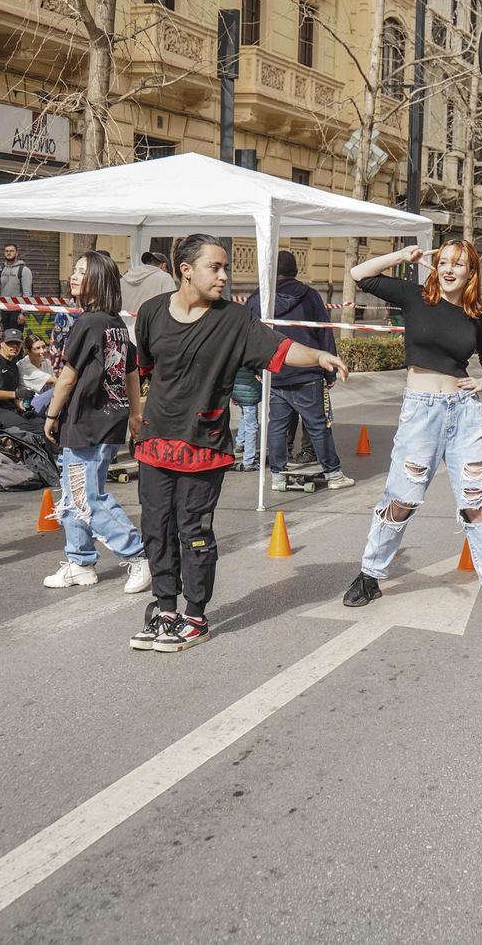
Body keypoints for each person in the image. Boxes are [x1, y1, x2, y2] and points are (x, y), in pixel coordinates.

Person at [128, 234, 347, 653]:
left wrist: (319, 356)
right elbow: (144, 368)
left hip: (204, 443)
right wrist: (136, 415)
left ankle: (195, 615)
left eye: (225, 267)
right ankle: (165, 609)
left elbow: (281, 349)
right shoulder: (153, 313)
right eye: (216, 267)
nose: (225, 276)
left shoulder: (234, 320)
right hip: (156, 442)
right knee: (156, 528)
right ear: (185, 270)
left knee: (193, 529)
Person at [345, 239, 482, 620]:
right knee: (401, 499)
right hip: (421, 414)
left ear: (471, 273)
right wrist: (401, 257)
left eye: (458, 264)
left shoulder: (474, 314)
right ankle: (370, 575)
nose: (449, 269)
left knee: (478, 505)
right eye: (444, 262)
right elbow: (360, 276)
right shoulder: (416, 296)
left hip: (465, 415)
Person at [40, 253, 151, 592]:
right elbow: (131, 372)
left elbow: (67, 377)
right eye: (74, 270)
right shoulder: (115, 323)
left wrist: (51, 414)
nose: (74, 277)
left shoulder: (88, 324)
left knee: (87, 496)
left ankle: (138, 555)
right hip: (106, 421)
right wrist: (133, 414)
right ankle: (79, 561)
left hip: (87, 422)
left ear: (99, 280)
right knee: (74, 495)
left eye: (82, 272)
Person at [246, 250, 354, 492]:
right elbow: (324, 332)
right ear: (296, 270)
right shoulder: (311, 296)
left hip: (275, 372)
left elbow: (249, 336)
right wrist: (329, 373)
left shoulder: (258, 298)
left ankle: (277, 475)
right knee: (318, 425)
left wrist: (256, 367)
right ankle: (333, 474)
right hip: (308, 373)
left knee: (276, 425)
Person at [0, 327, 36, 431]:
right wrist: (16, 394)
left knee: (40, 423)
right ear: (2, 343)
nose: (15, 346)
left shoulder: (14, 364)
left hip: (9, 409)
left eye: (17, 343)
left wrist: (22, 405)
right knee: (29, 429)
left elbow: (12, 398)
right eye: (10, 343)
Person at [122, 250, 178, 316]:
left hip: (122, 324)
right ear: (164, 266)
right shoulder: (165, 277)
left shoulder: (125, 277)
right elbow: (172, 305)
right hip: (149, 325)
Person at [19, 335, 60, 415]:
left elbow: (56, 380)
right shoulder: (23, 366)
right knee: (59, 390)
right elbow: (55, 381)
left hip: (45, 402)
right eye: (37, 348)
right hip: (29, 406)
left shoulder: (46, 362)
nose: (43, 351)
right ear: (28, 351)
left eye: (44, 347)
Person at [0, 243, 34, 330]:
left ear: (17, 253)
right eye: (6, 251)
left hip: (17, 311)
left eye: (11, 251)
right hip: (4, 310)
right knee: (5, 339)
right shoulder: (1, 269)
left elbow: (27, 293)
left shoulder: (24, 270)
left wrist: (23, 313)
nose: (9, 253)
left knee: (16, 339)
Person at [231, 365, 262, 470]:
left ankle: (240, 443)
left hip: (237, 391)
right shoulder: (253, 353)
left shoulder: (235, 351)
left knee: (244, 416)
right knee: (252, 427)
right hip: (250, 393)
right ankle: (248, 461)